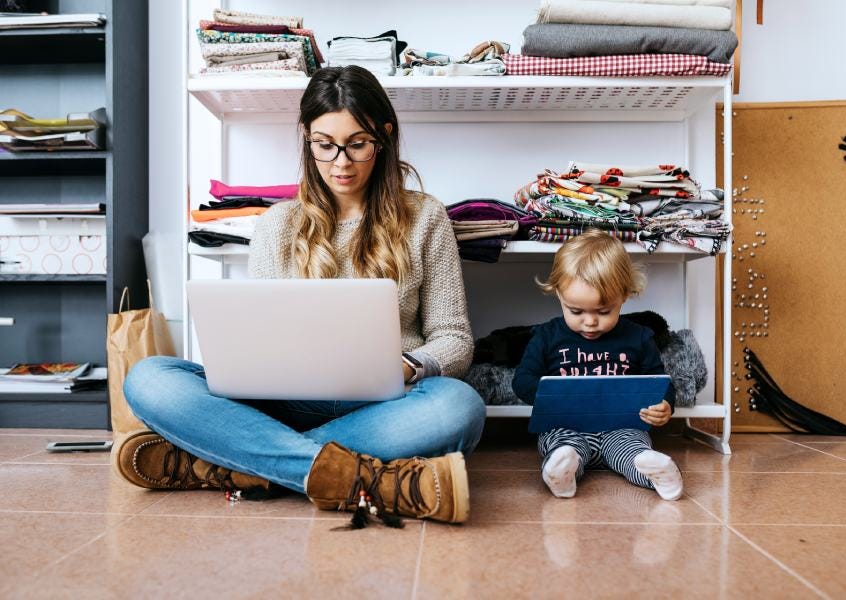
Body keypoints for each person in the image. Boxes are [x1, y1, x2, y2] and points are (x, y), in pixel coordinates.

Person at [118, 66, 485, 525]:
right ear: (306, 138)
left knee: (459, 407)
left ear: (384, 137)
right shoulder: (277, 224)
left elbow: (454, 338)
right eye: (324, 145)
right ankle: (361, 477)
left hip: (386, 404)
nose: (341, 162)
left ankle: (241, 464)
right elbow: (262, 337)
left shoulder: (425, 217)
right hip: (285, 403)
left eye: (358, 143)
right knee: (149, 377)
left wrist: (410, 366)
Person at [511, 231, 683, 501]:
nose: (590, 322)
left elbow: (658, 380)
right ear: (559, 295)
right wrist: (549, 398)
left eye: (603, 311)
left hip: (621, 427)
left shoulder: (638, 337)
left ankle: (655, 470)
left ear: (624, 296)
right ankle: (563, 472)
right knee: (562, 447)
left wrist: (664, 405)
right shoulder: (547, 336)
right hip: (566, 425)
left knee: (631, 449)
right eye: (576, 311)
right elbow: (522, 380)